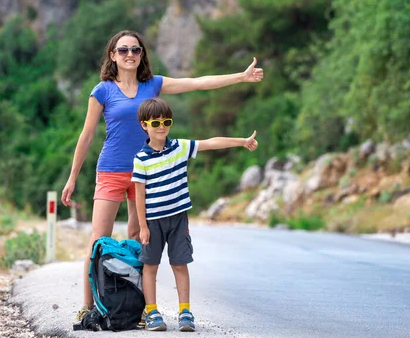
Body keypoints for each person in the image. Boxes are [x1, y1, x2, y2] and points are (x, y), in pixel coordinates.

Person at [61, 30, 263, 322]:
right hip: (111, 171)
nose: (130, 55)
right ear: (112, 55)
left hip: (146, 175)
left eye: (136, 50)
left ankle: (140, 308)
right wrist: (72, 177)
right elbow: (87, 135)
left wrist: (240, 77)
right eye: (123, 50)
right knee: (97, 241)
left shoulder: (152, 85)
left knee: (138, 240)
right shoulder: (102, 90)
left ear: (142, 55)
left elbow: (197, 83)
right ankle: (88, 305)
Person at [131, 98, 258, 332]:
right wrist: (143, 226)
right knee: (150, 266)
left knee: (180, 264)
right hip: (153, 221)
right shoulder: (141, 159)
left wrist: (242, 141)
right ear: (144, 125)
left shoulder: (180, 147)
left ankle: (185, 312)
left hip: (179, 219)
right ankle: (152, 312)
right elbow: (139, 195)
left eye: (166, 121)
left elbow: (211, 143)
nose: (162, 127)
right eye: (156, 122)